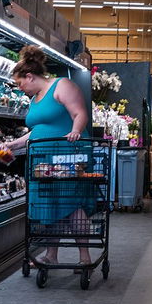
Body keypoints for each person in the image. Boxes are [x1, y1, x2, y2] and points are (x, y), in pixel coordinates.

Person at [7, 45, 93, 267]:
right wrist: (12, 145)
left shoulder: (61, 85)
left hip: (69, 154)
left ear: (30, 76)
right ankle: (51, 255)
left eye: (20, 84)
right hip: (44, 158)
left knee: (71, 203)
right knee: (51, 204)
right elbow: (37, 132)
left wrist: (75, 130)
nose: (20, 89)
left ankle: (85, 257)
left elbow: (80, 113)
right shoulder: (35, 99)